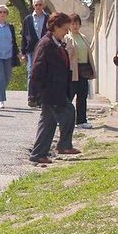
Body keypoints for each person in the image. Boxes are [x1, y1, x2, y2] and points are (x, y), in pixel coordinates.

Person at [29, 12, 80, 163]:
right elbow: (37, 69)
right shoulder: (46, 44)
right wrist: (33, 93)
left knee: (48, 122)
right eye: (64, 29)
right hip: (50, 90)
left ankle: (39, 154)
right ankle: (62, 146)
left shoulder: (57, 43)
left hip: (56, 89)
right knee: (68, 111)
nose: (66, 32)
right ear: (56, 27)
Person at [65, 13, 96, 129]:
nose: (75, 26)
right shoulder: (67, 38)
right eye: (73, 23)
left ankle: (81, 120)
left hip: (84, 69)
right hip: (73, 69)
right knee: (69, 95)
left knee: (82, 96)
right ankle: (63, 118)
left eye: (77, 23)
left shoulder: (83, 37)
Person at [0, 4, 21, 109]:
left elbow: (13, 42)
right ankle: (1, 100)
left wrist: (18, 53)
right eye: (0, 12)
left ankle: (0, 92)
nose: (2, 14)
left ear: (7, 14)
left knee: (7, 77)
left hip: (9, 55)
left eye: (4, 12)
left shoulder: (10, 27)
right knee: (0, 78)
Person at [21, 0, 50, 104]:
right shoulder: (28, 19)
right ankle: (31, 97)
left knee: (43, 73)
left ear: (44, 5)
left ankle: (40, 97)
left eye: (40, 4)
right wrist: (23, 52)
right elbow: (24, 36)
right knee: (31, 72)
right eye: (36, 4)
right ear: (33, 5)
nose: (38, 7)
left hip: (45, 50)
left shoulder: (48, 18)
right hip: (31, 50)